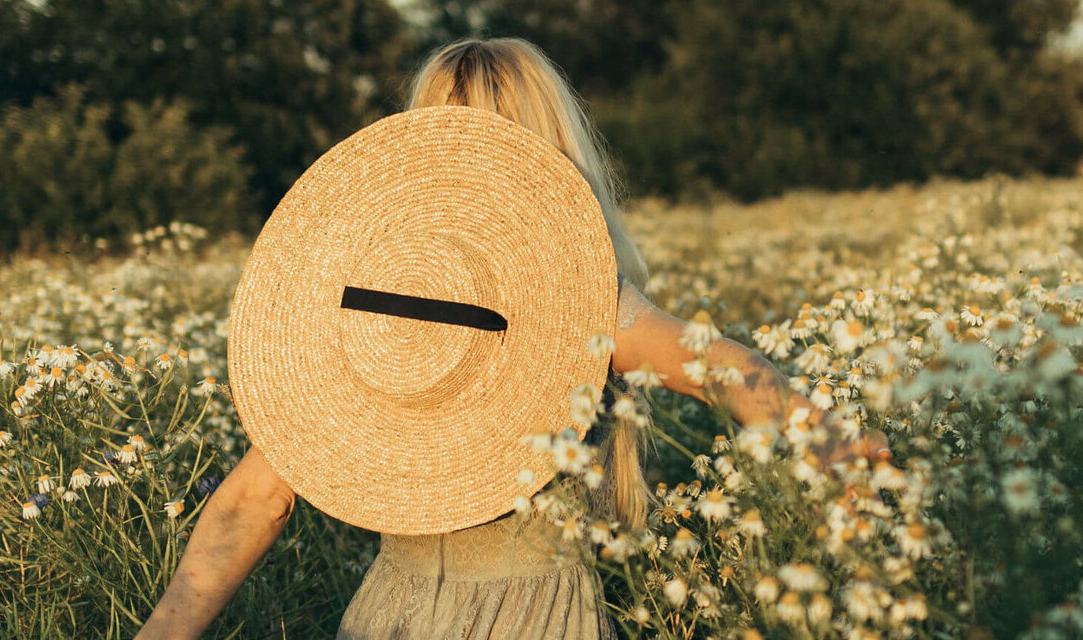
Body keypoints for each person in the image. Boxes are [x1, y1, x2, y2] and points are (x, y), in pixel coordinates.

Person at [134, 37, 888, 640]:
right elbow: (723, 367)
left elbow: (254, 502)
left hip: (395, 617)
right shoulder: (573, 300)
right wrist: (830, 450)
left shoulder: (410, 305)